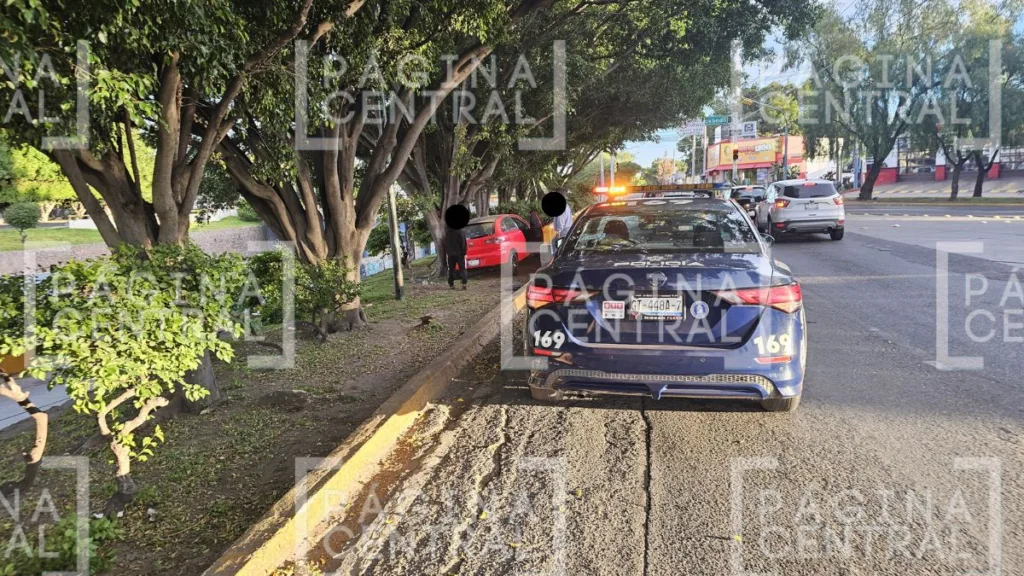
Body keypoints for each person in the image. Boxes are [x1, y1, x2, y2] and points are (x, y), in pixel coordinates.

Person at [444, 224, 468, 290]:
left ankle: (451, 284)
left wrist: (448, 252)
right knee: (462, 268)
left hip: (450, 254)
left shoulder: (448, 234)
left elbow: (446, 244)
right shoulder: (460, 232)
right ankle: (464, 283)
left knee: (451, 269)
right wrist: (464, 252)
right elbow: (463, 243)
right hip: (460, 254)